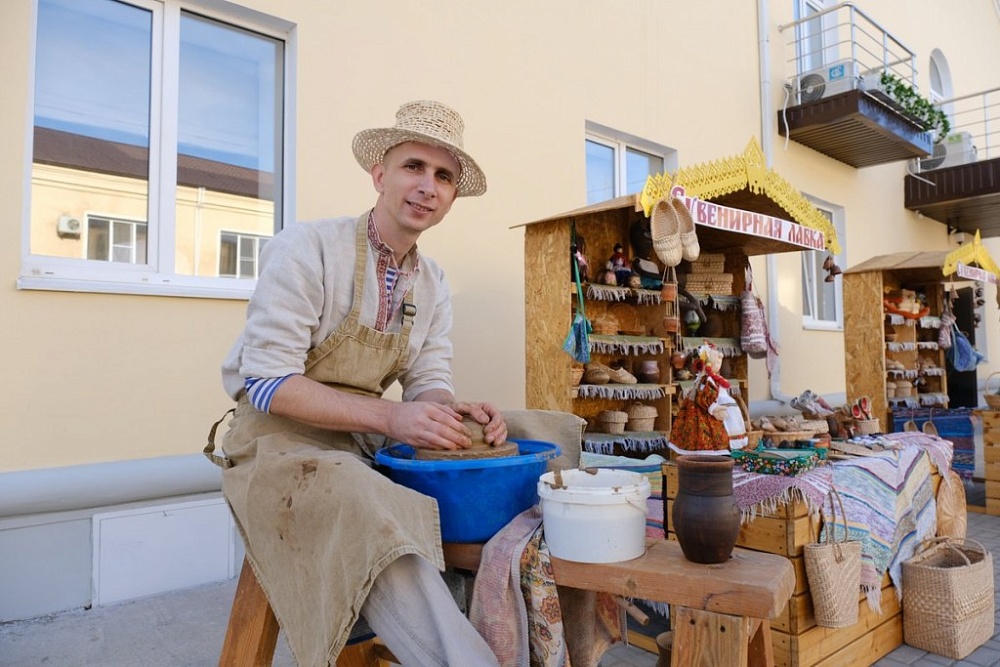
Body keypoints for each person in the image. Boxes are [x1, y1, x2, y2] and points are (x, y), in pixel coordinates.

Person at [211, 100, 505, 666]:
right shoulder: (307, 248)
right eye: (413, 167)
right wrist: (391, 418)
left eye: (443, 176)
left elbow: (428, 380)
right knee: (369, 502)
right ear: (379, 175)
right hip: (278, 446)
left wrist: (451, 413)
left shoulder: (434, 280)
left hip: (362, 444)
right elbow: (268, 382)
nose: (427, 186)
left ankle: (532, 634)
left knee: (530, 438)